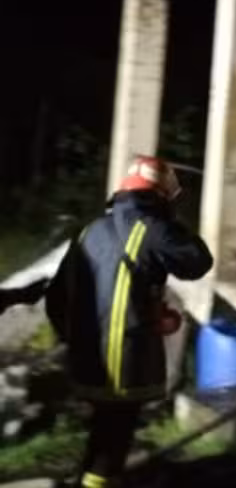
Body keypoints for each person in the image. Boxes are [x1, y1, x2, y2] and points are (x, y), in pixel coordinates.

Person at [46, 155, 213, 488]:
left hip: (87, 356)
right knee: (115, 437)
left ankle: (89, 480)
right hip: (123, 358)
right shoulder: (152, 227)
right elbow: (197, 262)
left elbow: (56, 298)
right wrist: (170, 220)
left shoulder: (90, 230)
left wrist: (72, 338)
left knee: (102, 429)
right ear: (163, 195)